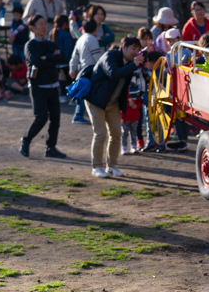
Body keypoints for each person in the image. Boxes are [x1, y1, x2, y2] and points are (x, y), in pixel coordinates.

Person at [85, 35, 144, 178]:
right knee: (100, 134)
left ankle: (112, 166)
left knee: (116, 134)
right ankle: (97, 167)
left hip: (113, 103)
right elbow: (114, 73)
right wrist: (134, 65)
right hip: (96, 101)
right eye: (133, 48)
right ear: (124, 48)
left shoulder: (131, 62)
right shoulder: (109, 56)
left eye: (138, 49)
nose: (136, 52)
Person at [20, 13, 67, 159]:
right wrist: (52, 59)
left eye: (44, 23)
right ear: (32, 27)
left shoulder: (48, 43)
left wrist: (47, 57)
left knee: (55, 120)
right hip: (38, 87)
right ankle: (25, 140)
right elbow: (36, 62)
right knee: (41, 118)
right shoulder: (30, 45)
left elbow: (63, 56)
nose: (44, 26)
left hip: (53, 86)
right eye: (40, 24)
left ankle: (50, 148)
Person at [69, 18, 103, 124]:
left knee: (83, 91)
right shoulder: (92, 40)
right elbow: (97, 57)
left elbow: (75, 56)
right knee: (86, 92)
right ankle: (78, 115)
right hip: (91, 70)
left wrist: (72, 68)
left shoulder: (81, 39)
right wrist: (103, 69)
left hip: (82, 69)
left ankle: (79, 114)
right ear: (95, 28)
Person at [49, 15, 75, 102]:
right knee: (69, 79)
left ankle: (62, 95)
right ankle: (71, 96)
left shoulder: (51, 32)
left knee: (61, 79)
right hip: (65, 61)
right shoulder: (66, 34)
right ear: (65, 23)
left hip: (56, 61)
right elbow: (69, 47)